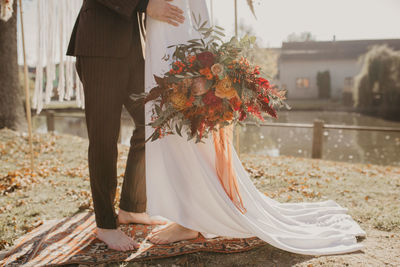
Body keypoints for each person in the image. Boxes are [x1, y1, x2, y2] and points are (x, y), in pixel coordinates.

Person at [144, 0, 366, 255]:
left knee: (185, 129)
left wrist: (208, 62)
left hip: (178, 39)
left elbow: (199, 9)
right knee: (172, 127)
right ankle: (186, 212)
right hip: (160, 38)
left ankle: (190, 220)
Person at [67, 0, 185, 252]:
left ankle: (131, 207)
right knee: (104, 137)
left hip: (135, 48)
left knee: (154, 122)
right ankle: (105, 225)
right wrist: (145, 4)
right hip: (99, 46)